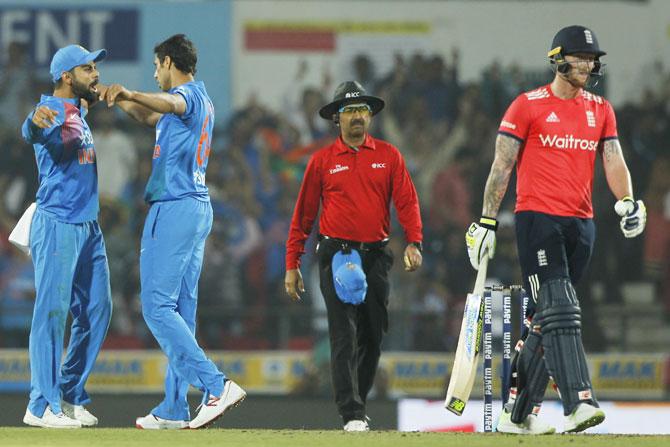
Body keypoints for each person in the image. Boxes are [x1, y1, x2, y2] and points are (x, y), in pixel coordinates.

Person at [465, 25, 646, 434]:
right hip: (537, 219)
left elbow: (612, 159)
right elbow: (502, 166)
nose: (588, 64)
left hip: (582, 224)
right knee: (563, 307)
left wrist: (627, 201)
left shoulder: (601, 109)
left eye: (592, 59)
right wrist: (486, 222)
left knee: (545, 318)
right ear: (558, 59)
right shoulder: (526, 105)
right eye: (581, 57)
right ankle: (578, 402)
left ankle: (517, 414)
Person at [103, 34, 245, 430]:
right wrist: (117, 98)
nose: (154, 73)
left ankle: (216, 386)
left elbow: (168, 103)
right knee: (181, 310)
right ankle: (174, 406)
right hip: (194, 207)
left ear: (168, 62)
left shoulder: (189, 97)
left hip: (176, 207)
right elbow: (150, 115)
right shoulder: (194, 106)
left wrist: (130, 90)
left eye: (156, 66)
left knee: (156, 306)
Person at [284, 81, 423, 431]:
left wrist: (414, 241)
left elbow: (407, 201)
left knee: (373, 336)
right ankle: (352, 412)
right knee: (342, 333)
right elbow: (302, 216)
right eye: (349, 111)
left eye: (362, 110)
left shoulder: (389, 156)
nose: (357, 116)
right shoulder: (322, 162)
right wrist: (292, 264)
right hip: (336, 255)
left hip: (375, 256)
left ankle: (358, 402)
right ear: (337, 119)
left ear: (370, 116)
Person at [20, 44, 113, 428]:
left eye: (95, 67)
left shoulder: (77, 109)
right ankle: (40, 404)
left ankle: (69, 393)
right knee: (52, 312)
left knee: (97, 309)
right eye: (87, 68)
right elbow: (33, 129)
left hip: (88, 226)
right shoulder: (51, 111)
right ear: (65, 76)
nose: (95, 74)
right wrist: (32, 122)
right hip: (58, 222)